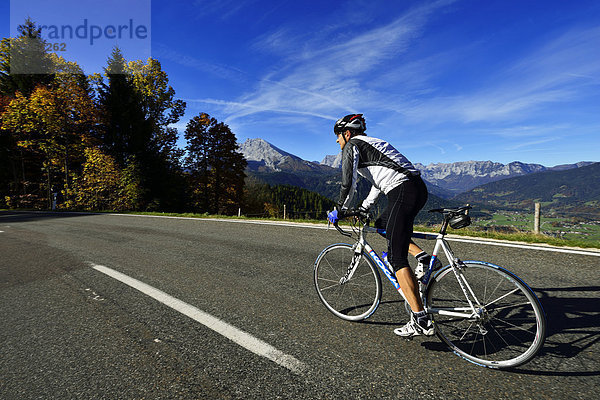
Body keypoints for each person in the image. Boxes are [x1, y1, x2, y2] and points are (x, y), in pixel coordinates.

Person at [327, 114, 439, 337]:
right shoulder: (373, 144)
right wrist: (365, 207)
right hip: (417, 189)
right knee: (384, 225)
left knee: (396, 258)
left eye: (338, 137)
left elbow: (348, 184)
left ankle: (420, 319)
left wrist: (339, 210)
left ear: (346, 133)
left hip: (402, 192)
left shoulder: (352, 146)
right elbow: (379, 181)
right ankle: (424, 258)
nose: (338, 142)